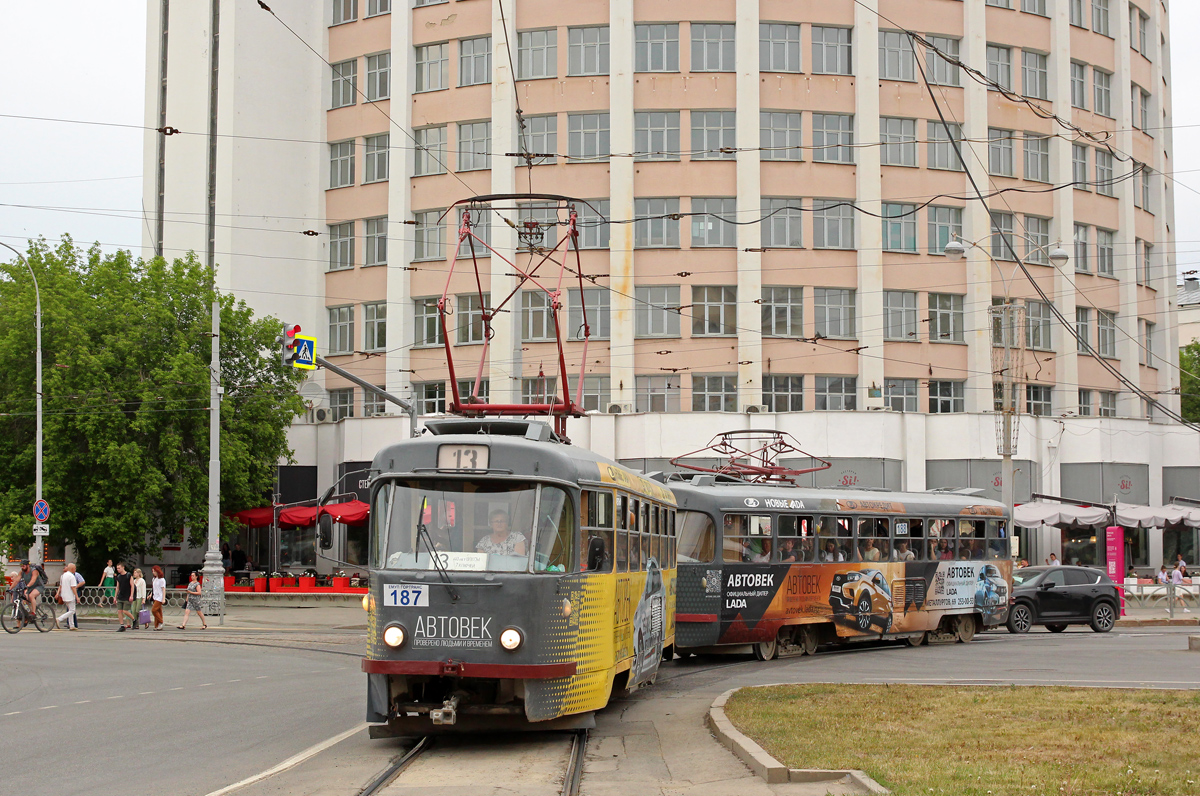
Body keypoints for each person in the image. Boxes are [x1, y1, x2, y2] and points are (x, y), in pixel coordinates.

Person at [57, 563, 79, 630]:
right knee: (72, 610)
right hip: (70, 595)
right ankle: (59, 619)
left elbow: (61, 585)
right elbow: (73, 587)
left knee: (70, 610)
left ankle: (71, 625)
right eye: (75, 568)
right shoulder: (72, 576)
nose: (75, 569)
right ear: (72, 569)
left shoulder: (63, 575)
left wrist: (58, 593)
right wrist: (77, 596)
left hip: (64, 595)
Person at [114, 563, 133, 631]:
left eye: (119, 568)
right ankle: (122, 625)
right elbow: (117, 587)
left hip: (127, 596)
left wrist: (131, 595)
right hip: (120, 596)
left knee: (125, 611)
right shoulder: (119, 577)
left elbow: (132, 586)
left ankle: (134, 619)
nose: (118, 569)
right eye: (117, 568)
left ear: (123, 567)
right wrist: (115, 597)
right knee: (119, 611)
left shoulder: (128, 575)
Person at [150, 565, 166, 630]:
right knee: (158, 611)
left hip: (160, 597)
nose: (153, 572)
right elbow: (154, 588)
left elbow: (163, 589)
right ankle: (157, 625)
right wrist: (151, 594)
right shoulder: (154, 579)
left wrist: (163, 598)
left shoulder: (162, 580)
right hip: (155, 596)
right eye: (152, 571)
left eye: (154, 571)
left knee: (154, 610)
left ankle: (161, 621)